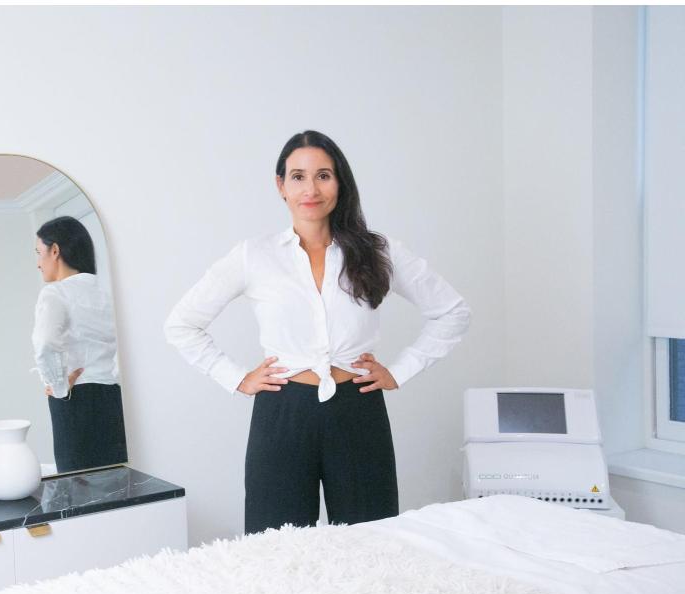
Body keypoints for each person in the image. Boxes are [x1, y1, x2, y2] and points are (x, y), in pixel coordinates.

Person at [164, 130, 471, 534]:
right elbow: (182, 324)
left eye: (323, 176)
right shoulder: (254, 256)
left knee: (371, 540)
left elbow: (453, 312)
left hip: (358, 410)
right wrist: (237, 378)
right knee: (277, 545)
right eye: (298, 177)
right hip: (282, 414)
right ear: (281, 186)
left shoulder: (377, 251)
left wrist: (400, 371)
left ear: (340, 183)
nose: (311, 189)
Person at [32, 216, 127, 473]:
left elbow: (45, 342)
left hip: (76, 398)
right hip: (114, 398)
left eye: (39, 253)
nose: (38, 263)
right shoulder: (107, 293)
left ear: (55, 250)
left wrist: (58, 386)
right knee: (117, 480)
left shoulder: (55, 293)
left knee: (76, 484)